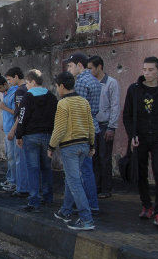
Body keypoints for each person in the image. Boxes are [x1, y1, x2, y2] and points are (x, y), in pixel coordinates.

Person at [123, 56, 158, 226]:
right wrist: (132, 136)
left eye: (151, 70)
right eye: (145, 69)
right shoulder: (134, 89)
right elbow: (127, 116)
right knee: (141, 173)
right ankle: (147, 205)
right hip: (140, 137)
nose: (147, 73)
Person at [48, 72, 96, 231]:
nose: (56, 89)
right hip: (83, 145)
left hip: (70, 147)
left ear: (61, 86)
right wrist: (92, 145)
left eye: (56, 86)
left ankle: (86, 219)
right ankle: (65, 211)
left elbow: (60, 128)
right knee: (71, 179)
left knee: (75, 182)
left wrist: (51, 146)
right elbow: (91, 125)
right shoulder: (83, 102)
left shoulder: (63, 104)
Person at [15, 69, 58, 212]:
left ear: (33, 82)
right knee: (46, 168)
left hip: (31, 136)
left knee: (33, 169)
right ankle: (48, 197)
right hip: (48, 136)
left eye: (27, 83)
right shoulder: (51, 96)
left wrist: (19, 135)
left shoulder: (27, 97)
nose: (26, 86)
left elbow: (22, 118)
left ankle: (34, 200)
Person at [65, 52, 101, 214]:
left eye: (70, 66)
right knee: (87, 169)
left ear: (79, 65)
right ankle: (92, 203)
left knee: (78, 171)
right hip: (93, 127)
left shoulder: (79, 82)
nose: (68, 69)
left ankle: (83, 204)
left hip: (80, 130)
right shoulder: (94, 80)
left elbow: (76, 109)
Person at [88, 56, 120, 199]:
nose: (89, 71)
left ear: (99, 67)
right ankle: (96, 187)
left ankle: (106, 189)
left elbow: (115, 106)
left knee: (105, 158)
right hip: (94, 124)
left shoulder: (112, 83)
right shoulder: (91, 83)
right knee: (94, 157)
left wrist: (112, 127)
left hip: (106, 124)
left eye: (91, 68)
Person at [5, 67, 29, 197]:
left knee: (19, 160)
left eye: (9, 79)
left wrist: (13, 131)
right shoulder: (28, 90)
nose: (9, 82)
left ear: (16, 77)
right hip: (29, 130)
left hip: (20, 130)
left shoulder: (20, 91)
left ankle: (21, 188)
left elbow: (20, 113)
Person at [0, 75, 18, 192]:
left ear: (5, 84)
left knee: (13, 157)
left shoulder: (14, 93)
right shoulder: (6, 93)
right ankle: (10, 178)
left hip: (13, 131)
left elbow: (16, 113)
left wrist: (4, 107)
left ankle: (14, 181)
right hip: (8, 129)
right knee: (10, 156)